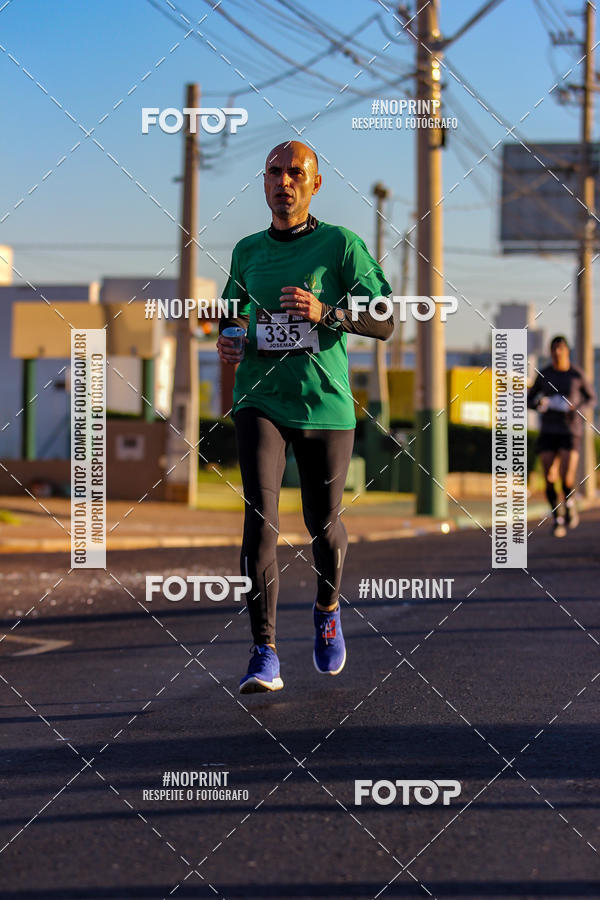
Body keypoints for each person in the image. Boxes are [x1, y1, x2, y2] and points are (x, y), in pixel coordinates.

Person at [217, 140, 393, 693]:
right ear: (263, 182)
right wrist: (230, 338)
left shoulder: (340, 245)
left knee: (322, 523)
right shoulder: (246, 251)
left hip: (326, 404)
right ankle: (263, 651)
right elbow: (230, 314)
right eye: (274, 172)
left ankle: (327, 607)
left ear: (314, 185)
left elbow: (386, 320)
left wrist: (328, 312)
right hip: (260, 400)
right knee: (260, 519)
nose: (284, 181)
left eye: (297, 173)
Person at [527, 335, 595, 537]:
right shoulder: (545, 374)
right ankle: (557, 517)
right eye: (554, 349)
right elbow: (530, 399)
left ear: (567, 351)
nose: (557, 352)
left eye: (561, 349)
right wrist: (540, 404)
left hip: (570, 430)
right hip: (548, 429)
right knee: (549, 476)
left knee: (567, 477)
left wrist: (577, 408)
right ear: (550, 351)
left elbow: (591, 399)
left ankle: (570, 504)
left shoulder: (576, 374)